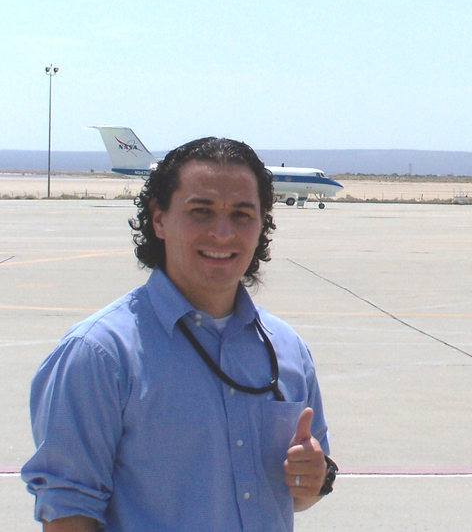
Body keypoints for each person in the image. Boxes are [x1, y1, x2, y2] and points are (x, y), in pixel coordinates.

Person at [21, 137, 337, 532]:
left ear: (261, 225)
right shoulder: (99, 355)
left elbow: (299, 495)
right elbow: (68, 512)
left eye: (241, 214)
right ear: (158, 220)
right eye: (201, 212)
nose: (222, 233)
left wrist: (312, 478)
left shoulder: (286, 348)